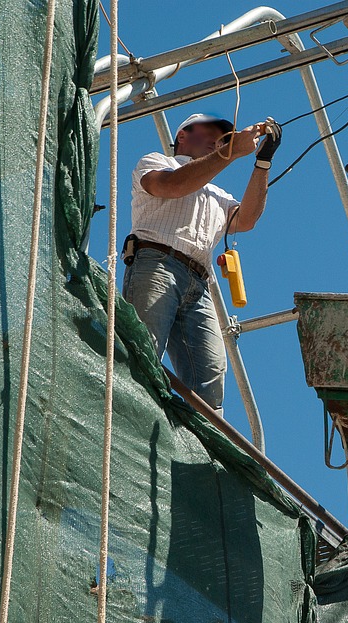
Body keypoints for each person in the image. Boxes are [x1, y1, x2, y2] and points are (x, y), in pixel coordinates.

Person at [123, 112, 281, 412]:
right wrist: (231, 151)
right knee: (143, 352)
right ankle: (131, 418)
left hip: (198, 283)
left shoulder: (217, 194)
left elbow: (246, 219)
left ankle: (200, 450)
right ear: (182, 135)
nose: (217, 140)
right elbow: (171, 186)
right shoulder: (157, 162)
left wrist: (263, 162)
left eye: (221, 136)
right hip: (156, 264)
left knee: (210, 377)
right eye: (209, 132)